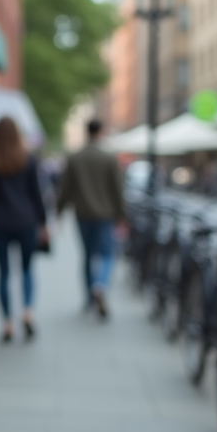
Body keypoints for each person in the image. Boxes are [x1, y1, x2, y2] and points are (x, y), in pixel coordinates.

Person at [0, 117, 48, 342]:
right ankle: (27, 311)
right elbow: (36, 194)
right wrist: (43, 223)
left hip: (0, 223)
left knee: (3, 274)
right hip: (26, 221)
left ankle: (7, 323)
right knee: (27, 269)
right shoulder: (28, 159)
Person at [56, 119, 126, 318]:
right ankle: (100, 285)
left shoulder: (75, 157)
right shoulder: (109, 158)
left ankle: (89, 297)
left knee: (87, 256)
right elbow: (117, 189)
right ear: (101, 131)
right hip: (105, 215)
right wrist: (122, 214)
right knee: (106, 254)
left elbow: (66, 188)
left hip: (83, 214)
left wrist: (58, 211)